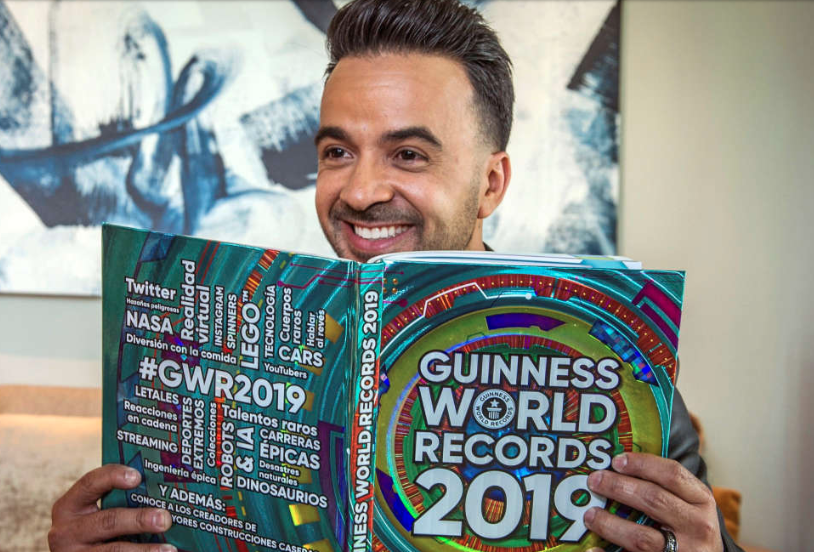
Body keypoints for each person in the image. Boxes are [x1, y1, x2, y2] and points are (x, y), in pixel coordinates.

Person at [49, 1, 743, 552]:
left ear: (490, 184)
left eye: (408, 153)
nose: (358, 192)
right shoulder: (243, 340)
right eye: (336, 151)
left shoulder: (605, 370)